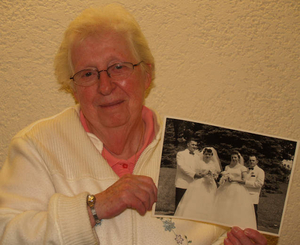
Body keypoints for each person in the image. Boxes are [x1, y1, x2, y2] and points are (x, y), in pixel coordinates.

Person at [0, 4, 267, 245]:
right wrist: (92, 208)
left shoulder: (180, 146)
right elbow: (6, 233)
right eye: (88, 74)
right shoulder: (37, 146)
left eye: (118, 67)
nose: (105, 86)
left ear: (147, 74)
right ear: (73, 87)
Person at [175, 147, 221, 221]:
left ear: (212, 155)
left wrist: (213, 175)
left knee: (209, 199)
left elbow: (216, 174)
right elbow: (196, 171)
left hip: (210, 184)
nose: (207, 156)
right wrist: (203, 174)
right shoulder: (199, 162)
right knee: (197, 199)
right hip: (200, 182)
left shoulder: (213, 164)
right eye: (206, 154)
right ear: (203, 154)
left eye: (209, 154)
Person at [213, 151, 257, 230]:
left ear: (238, 158)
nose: (234, 159)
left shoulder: (242, 168)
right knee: (224, 205)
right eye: (232, 157)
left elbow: (244, 180)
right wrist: (224, 178)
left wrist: (234, 180)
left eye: (235, 157)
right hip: (226, 188)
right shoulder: (227, 167)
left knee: (235, 207)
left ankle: (234, 224)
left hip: (237, 189)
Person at [174, 139, 200, 211]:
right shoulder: (181, 154)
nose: (194, 146)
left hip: (193, 183)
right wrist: (194, 174)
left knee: (189, 204)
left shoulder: (197, 156)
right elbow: (182, 166)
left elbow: (198, 167)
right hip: (182, 182)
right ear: (188, 144)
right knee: (179, 204)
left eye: (196, 145)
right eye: (193, 144)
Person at [244, 155, 265, 224]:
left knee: (253, 215)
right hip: (243, 195)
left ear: (257, 161)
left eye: (253, 160)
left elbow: (259, 184)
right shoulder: (246, 170)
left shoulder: (260, 171)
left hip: (253, 196)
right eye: (250, 160)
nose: (251, 162)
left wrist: (246, 183)